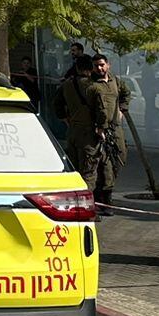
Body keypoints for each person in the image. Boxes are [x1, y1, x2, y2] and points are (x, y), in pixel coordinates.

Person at [61, 54, 130, 204]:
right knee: (95, 167)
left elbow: (125, 94)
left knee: (118, 158)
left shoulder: (114, 81)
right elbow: (101, 111)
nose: (99, 68)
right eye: (96, 66)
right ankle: (99, 200)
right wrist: (100, 128)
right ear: (90, 68)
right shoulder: (92, 86)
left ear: (108, 65)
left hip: (112, 128)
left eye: (102, 65)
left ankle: (99, 196)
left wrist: (121, 110)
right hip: (95, 131)